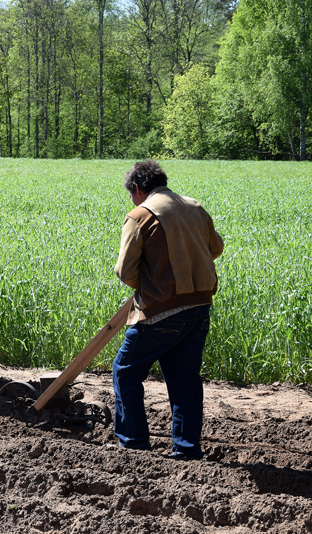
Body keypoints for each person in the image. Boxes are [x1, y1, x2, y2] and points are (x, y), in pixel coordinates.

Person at [112, 159, 224, 459]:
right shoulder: (195, 207)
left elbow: (125, 272)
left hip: (161, 311)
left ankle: (134, 445)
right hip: (200, 307)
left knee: (125, 371)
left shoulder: (140, 215)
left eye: (131, 194)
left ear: (138, 189)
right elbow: (216, 248)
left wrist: (149, 285)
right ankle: (186, 449)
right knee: (185, 379)